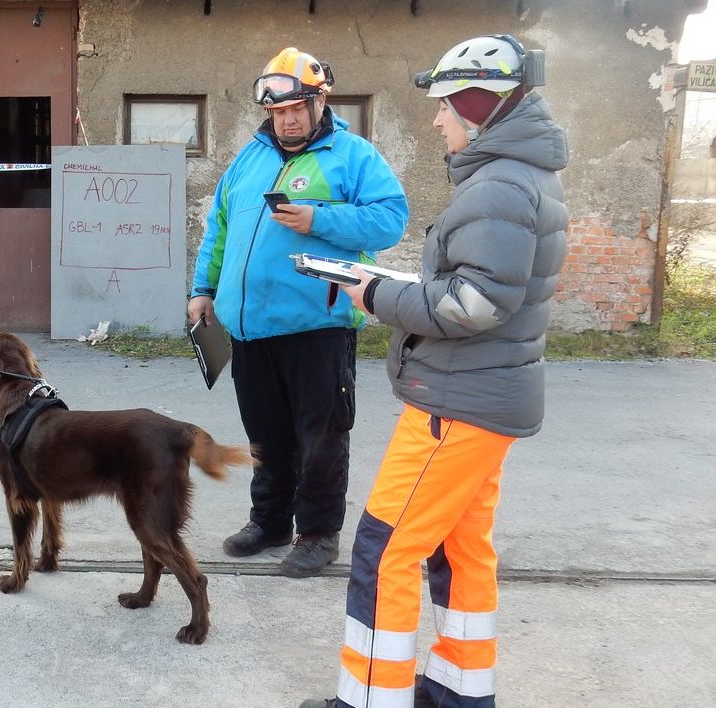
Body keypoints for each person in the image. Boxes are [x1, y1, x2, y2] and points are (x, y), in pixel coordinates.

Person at [300, 34, 568, 708]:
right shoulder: (516, 176)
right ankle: (458, 691)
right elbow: (482, 291)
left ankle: (368, 698)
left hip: (457, 402)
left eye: (447, 105)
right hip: (485, 397)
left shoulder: (500, 184)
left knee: (385, 550)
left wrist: (374, 294)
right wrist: (388, 282)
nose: (437, 118)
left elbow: (473, 304)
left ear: (479, 105)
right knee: (460, 547)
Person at [189, 48, 408, 578]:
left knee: (321, 435)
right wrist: (203, 289)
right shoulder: (248, 158)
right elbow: (219, 227)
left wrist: (320, 219)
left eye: (298, 107)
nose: (288, 118)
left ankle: (317, 533)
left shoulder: (352, 156)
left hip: (320, 327)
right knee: (267, 434)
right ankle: (269, 522)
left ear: (319, 101)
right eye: (278, 110)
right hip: (251, 329)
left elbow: (390, 221)